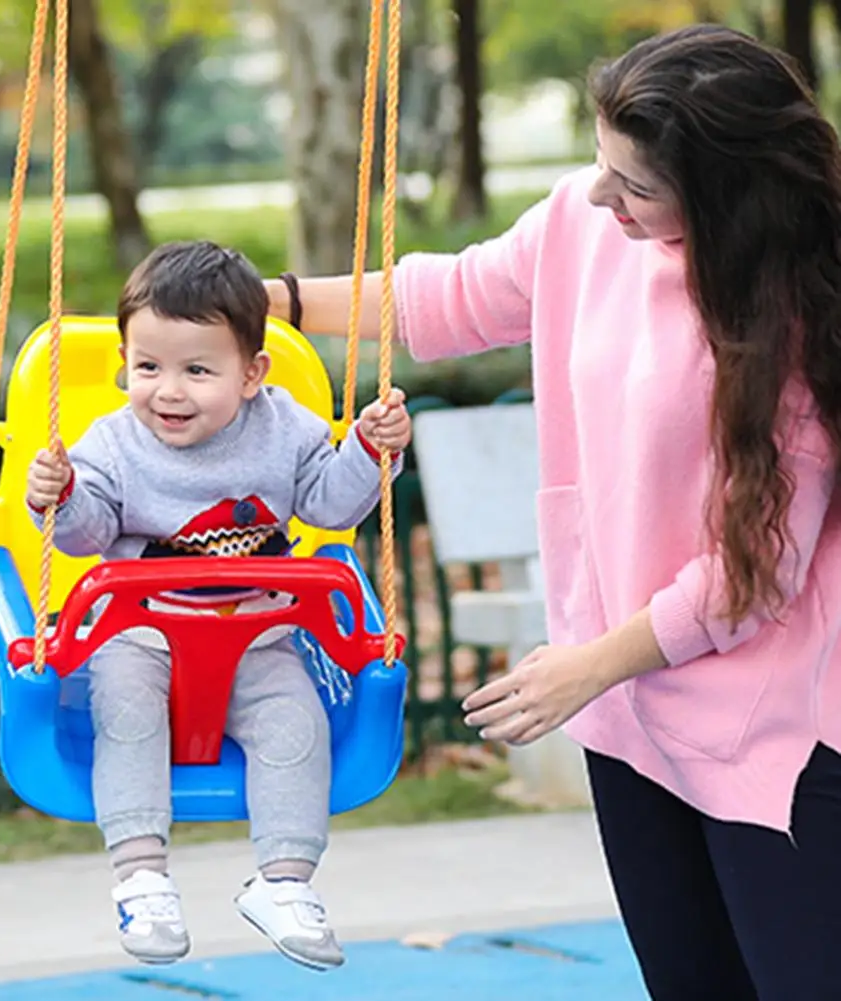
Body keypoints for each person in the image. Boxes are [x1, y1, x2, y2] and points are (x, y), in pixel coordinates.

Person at [264, 24, 841, 1001]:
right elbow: (449, 296)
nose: (600, 194)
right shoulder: (585, 223)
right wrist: (263, 302)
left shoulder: (798, 313)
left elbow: (751, 573)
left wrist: (587, 663)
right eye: (600, 161)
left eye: (635, 185)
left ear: (721, 193)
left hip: (773, 726)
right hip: (629, 709)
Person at [25, 240, 411, 971]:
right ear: (125, 362)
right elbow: (84, 537)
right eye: (148, 368)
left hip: (258, 633)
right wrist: (61, 495)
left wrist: (367, 449)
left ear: (252, 373)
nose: (168, 392)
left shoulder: (287, 429)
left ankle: (284, 882)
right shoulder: (112, 442)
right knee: (127, 717)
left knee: (295, 728)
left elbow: (330, 506)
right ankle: (141, 876)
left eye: (197, 371)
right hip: (139, 634)